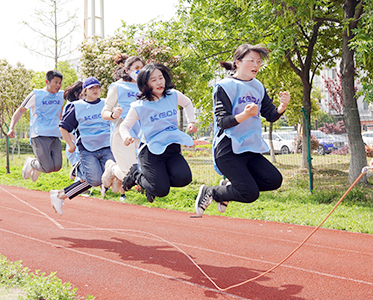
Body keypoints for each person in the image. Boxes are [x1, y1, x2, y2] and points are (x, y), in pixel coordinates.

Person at [194, 43, 290, 216]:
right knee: (249, 193)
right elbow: (222, 121)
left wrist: (282, 106)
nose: (256, 65)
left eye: (259, 61)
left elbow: (270, 115)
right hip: (228, 149)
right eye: (251, 61)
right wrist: (245, 115)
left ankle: (227, 190)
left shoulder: (258, 86)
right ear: (237, 62)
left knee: (274, 180)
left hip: (250, 147)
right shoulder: (224, 86)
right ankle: (212, 192)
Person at [119, 63, 198, 203]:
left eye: (160, 78)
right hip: (151, 151)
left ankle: (155, 182)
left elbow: (187, 103)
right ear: (145, 83)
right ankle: (136, 174)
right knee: (161, 190)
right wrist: (126, 136)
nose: (159, 82)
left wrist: (191, 121)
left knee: (184, 178)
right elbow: (124, 126)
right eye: (153, 80)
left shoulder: (173, 95)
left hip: (172, 148)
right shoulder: (139, 106)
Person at [50, 77, 115, 215]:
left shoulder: (107, 104)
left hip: (107, 146)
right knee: (95, 180)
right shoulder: (77, 106)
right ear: (85, 90)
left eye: (97, 87)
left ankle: (61, 194)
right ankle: (79, 169)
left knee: (105, 178)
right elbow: (63, 127)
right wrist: (71, 145)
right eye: (92, 88)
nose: (96, 90)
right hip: (87, 149)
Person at [101, 54, 145, 201]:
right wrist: (113, 114)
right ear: (127, 70)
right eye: (137, 68)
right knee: (130, 175)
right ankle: (112, 169)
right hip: (122, 131)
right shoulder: (117, 86)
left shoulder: (145, 87)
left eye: (142, 68)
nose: (140, 71)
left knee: (140, 171)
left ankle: (113, 169)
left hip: (142, 132)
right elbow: (105, 112)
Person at [7, 70, 64, 182]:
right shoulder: (36, 95)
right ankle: (31, 162)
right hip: (39, 134)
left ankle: (34, 164)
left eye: (60, 83)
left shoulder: (61, 96)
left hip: (55, 133)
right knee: (47, 167)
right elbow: (20, 110)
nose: (58, 85)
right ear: (47, 82)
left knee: (57, 166)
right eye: (56, 82)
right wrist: (11, 127)